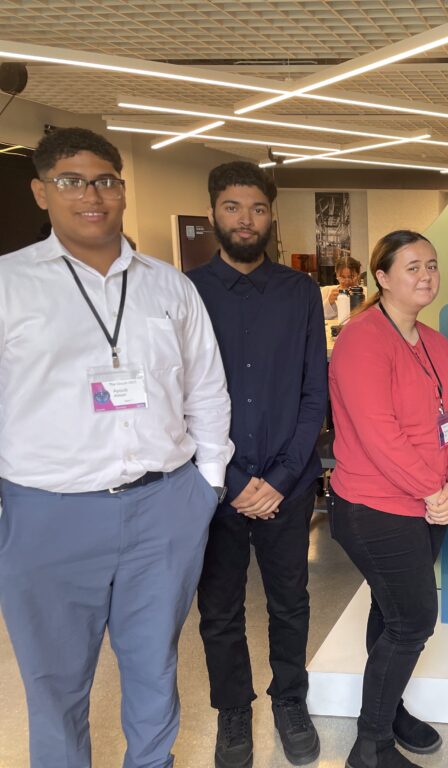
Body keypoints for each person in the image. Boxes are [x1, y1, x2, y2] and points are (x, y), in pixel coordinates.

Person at [0, 127, 232, 767]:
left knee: (155, 666)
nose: (91, 195)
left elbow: (206, 388)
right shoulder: (10, 284)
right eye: (71, 182)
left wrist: (207, 485)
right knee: (54, 682)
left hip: (164, 507)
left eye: (105, 180)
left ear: (122, 190)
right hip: (48, 512)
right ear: (41, 192)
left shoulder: (169, 286)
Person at [187, 162, 328, 768]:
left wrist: (281, 478)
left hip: (287, 485)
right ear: (213, 213)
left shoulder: (300, 292)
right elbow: (178, 395)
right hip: (212, 487)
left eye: (258, 209)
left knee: (290, 602)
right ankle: (233, 711)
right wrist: (236, 480)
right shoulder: (185, 291)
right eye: (232, 207)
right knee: (219, 610)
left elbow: (314, 393)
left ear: (272, 216)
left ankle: (290, 699)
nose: (246, 220)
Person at [328, 230, 448, 768]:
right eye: (412, 267)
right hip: (374, 507)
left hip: (430, 505)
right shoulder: (362, 339)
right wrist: (434, 490)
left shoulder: (435, 342)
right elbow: (378, 435)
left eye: (431, 265)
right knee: (412, 622)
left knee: (390, 611)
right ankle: (371, 748)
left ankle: (387, 711)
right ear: (383, 277)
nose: (426, 276)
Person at [323, 255, 363, 322]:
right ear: (336, 275)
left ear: (358, 275)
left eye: (351, 277)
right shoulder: (326, 291)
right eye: (342, 277)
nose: (347, 281)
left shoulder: (365, 293)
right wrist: (329, 302)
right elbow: (318, 317)